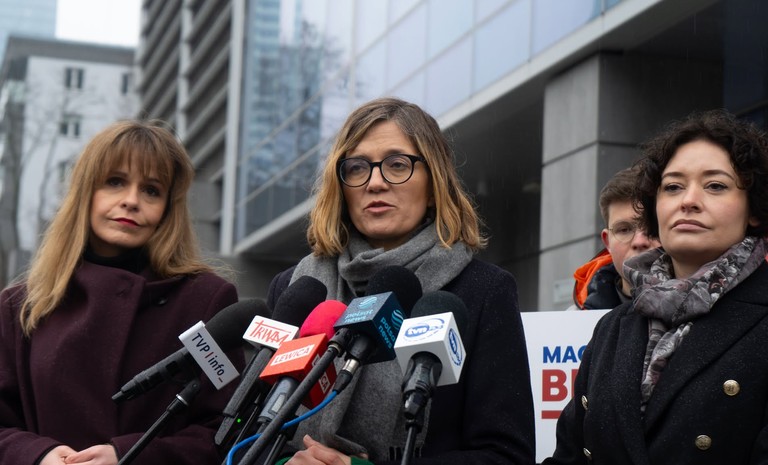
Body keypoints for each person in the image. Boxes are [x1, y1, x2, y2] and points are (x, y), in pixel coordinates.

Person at [264, 97, 535, 465]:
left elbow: (506, 456)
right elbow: (245, 432)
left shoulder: (483, 290)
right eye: (357, 168)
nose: (375, 182)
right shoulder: (297, 288)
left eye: (397, 164)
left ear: (434, 183)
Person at [0, 121, 243, 465]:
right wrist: (37, 455)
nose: (131, 201)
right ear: (86, 192)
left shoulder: (205, 301)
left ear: (168, 209)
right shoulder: (20, 307)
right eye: (115, 182)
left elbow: (227, 429)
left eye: (152, 190)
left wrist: (128, 456)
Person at [543, 109, 768, 464]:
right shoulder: (613, 328)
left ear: (753, 208)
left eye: (715, 186)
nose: (688, 200)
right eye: (673, 187)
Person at [569, 166, 661, 310]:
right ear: (607, 242)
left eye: (653, 227)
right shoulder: (573, 320)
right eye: (624, 230)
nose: (639, 241)